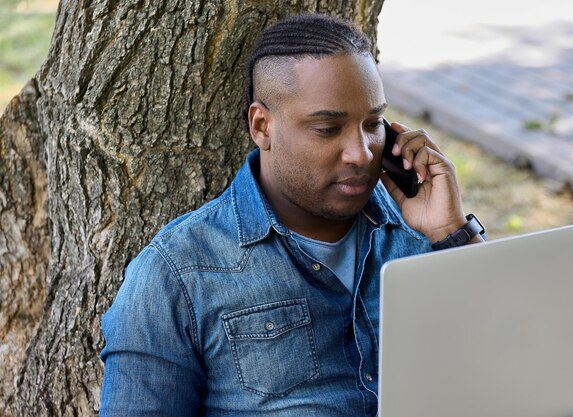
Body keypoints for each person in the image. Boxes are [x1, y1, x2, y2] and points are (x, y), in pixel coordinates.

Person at [99, 13, 484, 416]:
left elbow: (508, 356)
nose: (362, 153)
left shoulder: (423, 232)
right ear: (262, 126)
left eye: (372, 124)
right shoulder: (178, 272)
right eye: (327, 129)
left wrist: (451, 233)